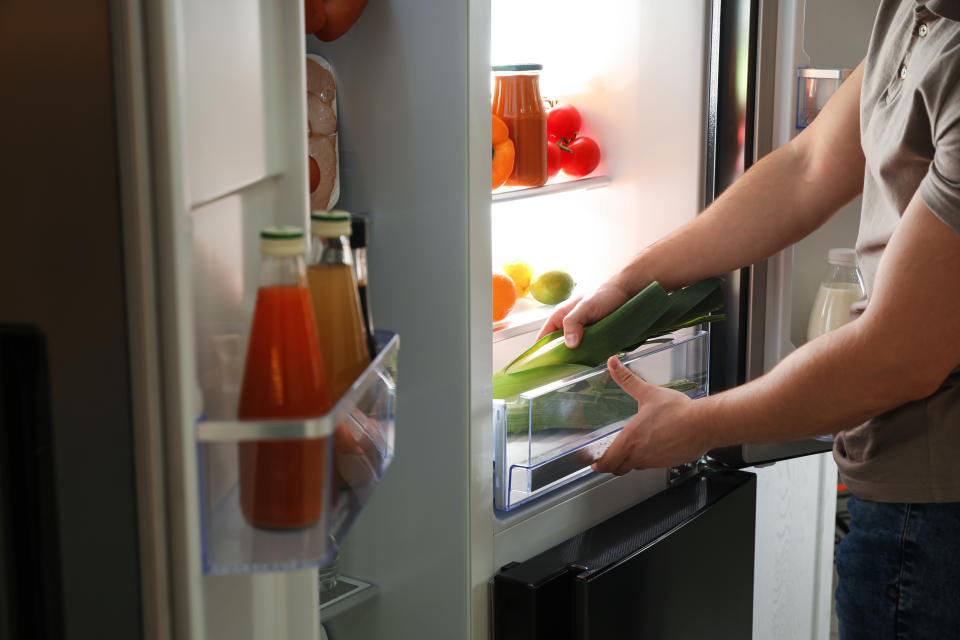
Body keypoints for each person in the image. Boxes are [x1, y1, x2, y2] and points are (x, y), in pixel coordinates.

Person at [538, 1, 960, 638]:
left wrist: (700, 426)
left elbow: (899, 356)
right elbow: (806, 168)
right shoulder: (913, 9)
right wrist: (635, 280)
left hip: (934, 510)